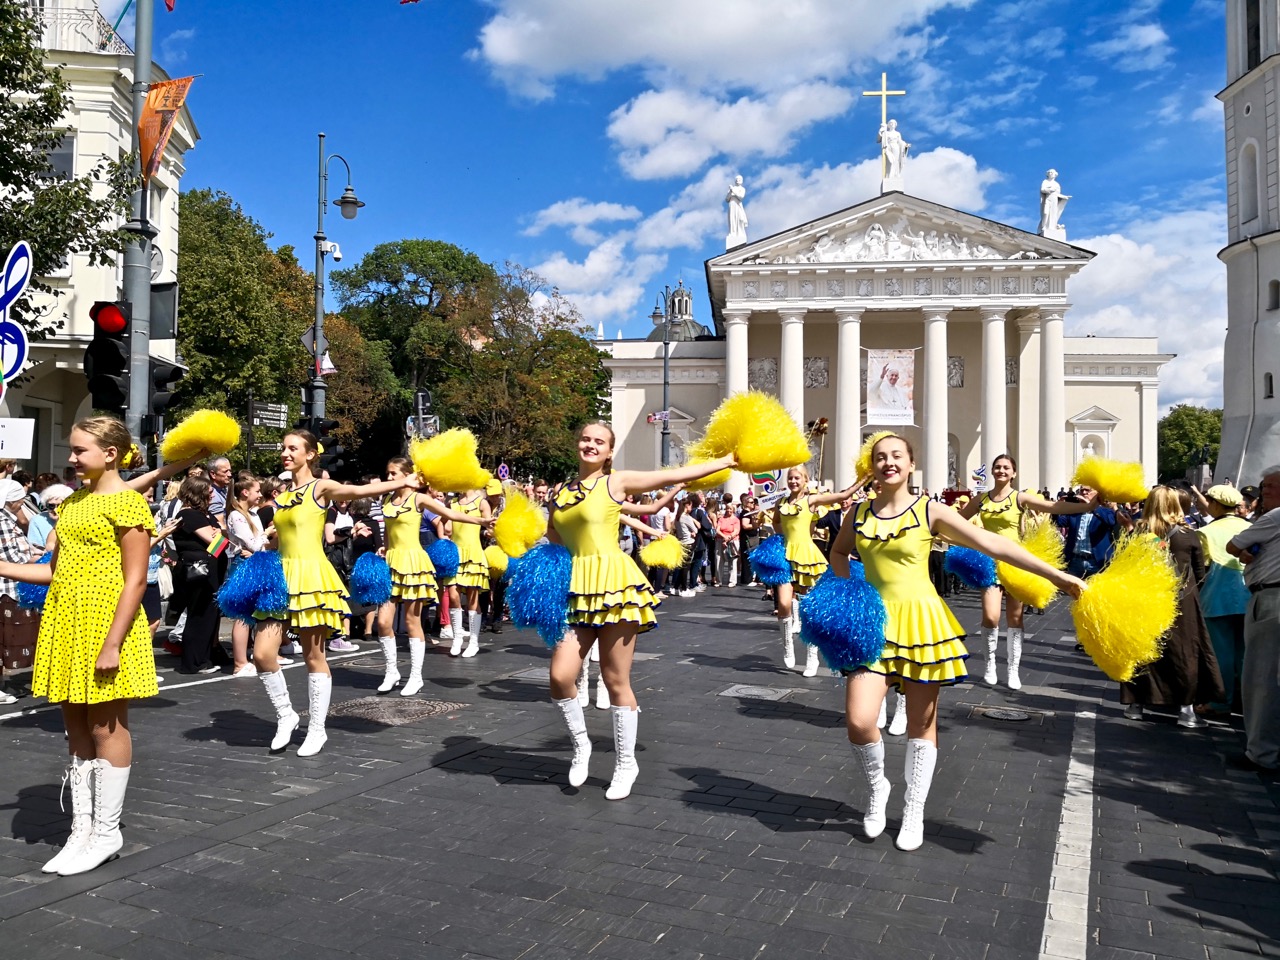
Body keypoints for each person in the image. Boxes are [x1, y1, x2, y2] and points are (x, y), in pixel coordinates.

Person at [829, 434, 1083, 850]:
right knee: (859, 721)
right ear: (871, 467)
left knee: (920, 724)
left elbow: (994, 543)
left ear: (911, 464)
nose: (888, 462)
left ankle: (914, 809)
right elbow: (839, 553)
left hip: (922, 624)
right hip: (872, 624)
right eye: (879, 457)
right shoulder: (856, 513)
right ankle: (879, 789)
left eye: (896, 455)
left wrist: (1057, 575)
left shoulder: (930, 510)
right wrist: (850, 593)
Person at [0, 417, 159, 875]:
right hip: (67, 619)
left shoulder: (127, 504)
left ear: (110, 453)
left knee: (107, 726)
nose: (71, 458)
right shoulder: (72, 503)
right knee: (74, 725)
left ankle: (107, 832)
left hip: (106, 621)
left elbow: (135, 579)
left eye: (79, 450)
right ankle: (82, 828)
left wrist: (113, 642)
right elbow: (54, 571)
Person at [547, 422, 735, 799]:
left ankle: (625, 763)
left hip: (615, 585)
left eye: (599, 441)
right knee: (559, 675)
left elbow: (671, 474)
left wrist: (726, 460)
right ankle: (581, 746)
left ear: (609, 451)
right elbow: (553, 543)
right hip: (576, 588)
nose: (590, 444)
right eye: (585, 438)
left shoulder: (616, 483)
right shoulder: (559, 493)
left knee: (617, 681)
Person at [251, 430, 419, 757]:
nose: (285, 452)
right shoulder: (283, 495)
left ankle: (316, 729)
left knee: (315, 655)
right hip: (280, 577)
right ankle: (286, 715)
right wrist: (266, 543)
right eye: (284, 448)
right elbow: (282, 540)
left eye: (293, 448)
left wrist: (400, 484)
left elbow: (358, 490)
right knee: (262, 654)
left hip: (312, 576)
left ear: (311, 454)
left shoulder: (320, 488)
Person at [957, 454, 1094, 689]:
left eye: (1006, 468)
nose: (1001, 471)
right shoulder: (981, 499)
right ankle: (990, 664)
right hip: (988, 563)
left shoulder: (1019, 498)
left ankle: (1012, 669)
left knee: (1015, 618)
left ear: (1014, 473)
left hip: (1015, 562)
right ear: (992, 471)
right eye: (997, 467)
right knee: (990, 617)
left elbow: (1052, 506)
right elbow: (956, 520)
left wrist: (1088, 506)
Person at [374, 458, 488, 695]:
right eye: (388, 473)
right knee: (383, 622)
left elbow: (450, 514)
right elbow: (389, 533)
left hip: (414, 563)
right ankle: (392, 671)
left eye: (393, 473)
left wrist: (481, 520)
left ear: (408, 474)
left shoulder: (419, 499)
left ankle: (415, 677)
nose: (389, 478)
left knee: (412, 622)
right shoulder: (386, 499)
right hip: (391, 564)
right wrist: (384, 549)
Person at [1120, 487, 1224, 727]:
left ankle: (1136, 704)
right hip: (1182, 599)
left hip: (1146, 597)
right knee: (1185, 651)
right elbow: (1199, 572)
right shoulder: (1188, 534)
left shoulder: (1139, 532)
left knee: (1144, 648)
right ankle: (1186, 710)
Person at [773, 466, 859, 677]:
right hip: (785, 555)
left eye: (797, 478)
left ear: (805, 480)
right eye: (790, 478)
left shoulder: (811, 501)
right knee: (784, 604)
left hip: (807, 557)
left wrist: (864, 476)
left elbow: (844, 495)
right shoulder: (781, 502)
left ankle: (812, 657)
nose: (793, 481)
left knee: (809, 609)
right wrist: (781, 538)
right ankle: (787, 646)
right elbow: (776, 522)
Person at [1226, 466, 1280, 771]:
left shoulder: (1275, 517)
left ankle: (1261, 753)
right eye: (1265, 486)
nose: (1265, 492)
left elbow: (1234, 545)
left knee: (1262, 677)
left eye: (1272, 486)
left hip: (1271, 599)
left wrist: (1249, 550)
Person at [1196, 485, 1251, 717]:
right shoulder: (1250, 526)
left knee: (1222, 653)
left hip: (1217, 597)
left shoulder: (1206, 532)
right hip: (1249, 595)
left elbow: (1201, 568)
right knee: (1245, 653)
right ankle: (1246, 702)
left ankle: (1221, 701)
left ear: (1215, 504)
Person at [170, 476, 231, 675]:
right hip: (198, 571)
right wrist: (220, 533)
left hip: (210, 570)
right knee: (199, 615)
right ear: (197, 493)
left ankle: (204, 657)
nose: (212, 493)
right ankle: (194, 661)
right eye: (208, 490)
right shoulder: (190, 515)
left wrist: (220, 532)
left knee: (208, 614)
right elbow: (217, 542)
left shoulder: (202, 514)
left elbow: (222, 536)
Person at [226, 477, 271, 677]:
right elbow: (254, 543)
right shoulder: (237, 515)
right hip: (243, 566)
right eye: (257, 491)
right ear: (245, 492)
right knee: (243, 615)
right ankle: (239, 663)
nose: (260, 495)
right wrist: (267, 533)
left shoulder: (253, 514)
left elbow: (257, 546)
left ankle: (251, 657)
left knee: (253, 613)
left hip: (256, 564)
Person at [443, 486, 492, 659]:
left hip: (473, 553)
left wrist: (490, 530)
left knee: (473, 598)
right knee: (453, 595)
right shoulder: (452, 503)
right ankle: (457, 637)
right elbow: (447, 529)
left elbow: (490, 528)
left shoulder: (482, 502)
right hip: (455, 554)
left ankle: (473, 641)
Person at [1057, 486, 1117, 578]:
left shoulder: (1106, 511)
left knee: (1097, 592)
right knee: (1073, 591)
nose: (1084, 493)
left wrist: (1091, 506)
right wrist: (1058, 507)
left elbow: (1110, 521)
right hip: (1076, 561)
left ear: (1097, 493)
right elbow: (1059, 522)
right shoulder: (1075, 512)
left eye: (1087, 490)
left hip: (1097, 562)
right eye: (1082, 490)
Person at [715, 503, 740, 587]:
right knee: (719, 560)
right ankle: (719, 580)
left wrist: (728, 537)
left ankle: (732, 581)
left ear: (733, 510)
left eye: (730, 509)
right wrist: (724, 537)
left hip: (732, 541)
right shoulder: (721, 519)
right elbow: (717, 530)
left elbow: (736, 531)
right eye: (727, 508)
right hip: (720, 540)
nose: (728, 510)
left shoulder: (736, 520)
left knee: (733, 561)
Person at [1038, 168, 1071, 235]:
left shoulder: (1057, 184)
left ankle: (1051, 227)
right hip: (1047, 198)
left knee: (1053, 214)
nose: (1051, 173)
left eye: (1052, 172)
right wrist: (1050, 190)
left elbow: (1057, 194)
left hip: (1054, 199)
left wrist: (1065, 197)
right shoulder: (1045, 181)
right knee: (1045, 213)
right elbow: (1042, 189)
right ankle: (1043, 226)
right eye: (1050, 172)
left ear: (1055, 175)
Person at [725, 174, 748, 246]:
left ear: (742, 181)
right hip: (732, 205)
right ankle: (733, 233)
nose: (738, 180)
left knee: (739, 219)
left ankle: (739, 233)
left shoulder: (742, 189)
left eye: (739, 179)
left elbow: (741, 197)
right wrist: (730, 192)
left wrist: (733, 191)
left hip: (738, 205)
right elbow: (727, 199)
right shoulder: (732, 188)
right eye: (737, 179)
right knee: (732, 219)